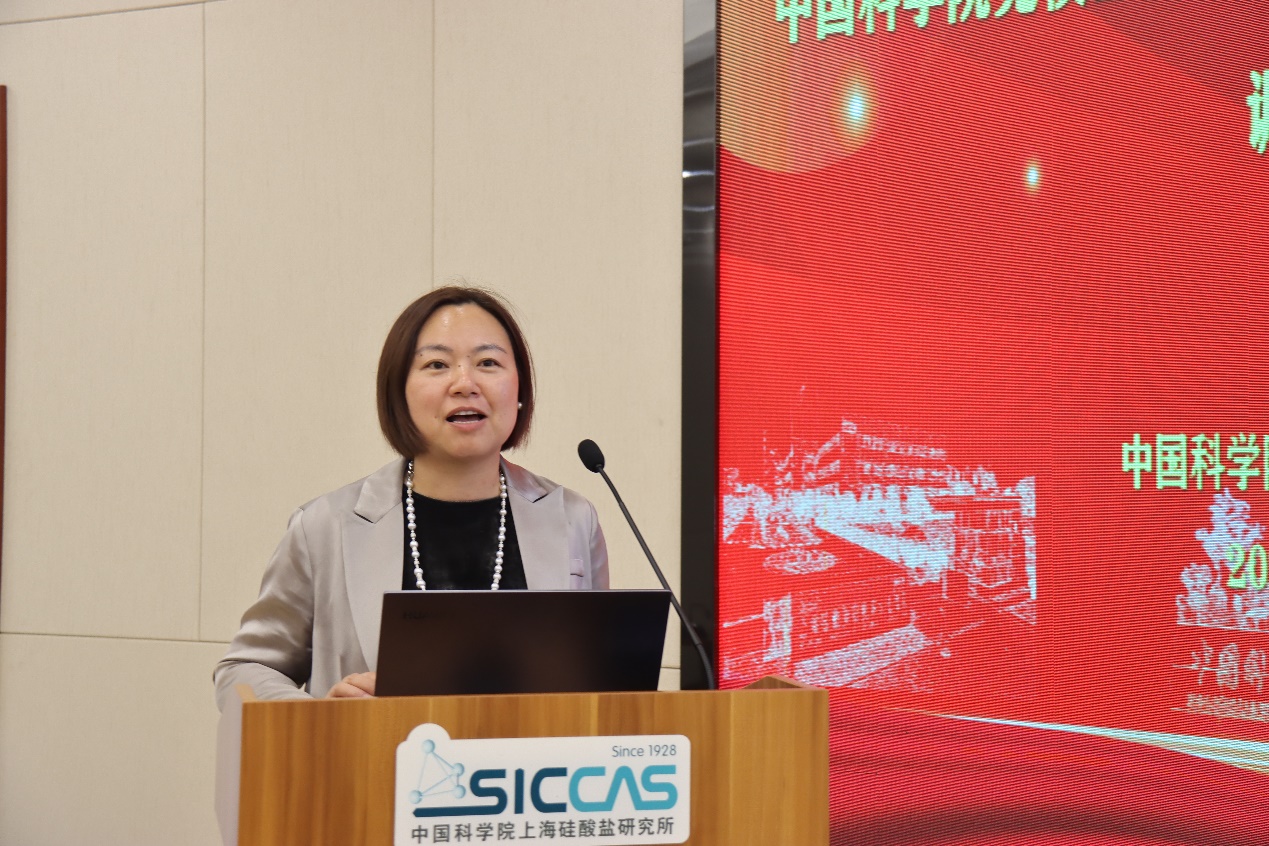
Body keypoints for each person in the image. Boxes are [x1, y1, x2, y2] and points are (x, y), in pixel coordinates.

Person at [213, 286, 608, 710]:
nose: (465, 383)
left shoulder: (572, 518)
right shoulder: (325, 526)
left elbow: (603, 679)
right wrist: (321, 717)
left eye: (488, 363)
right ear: (398, 392)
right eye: (437, 364)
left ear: (520, 390)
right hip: (369, 755)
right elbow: (243, 671)